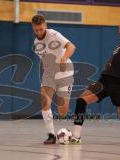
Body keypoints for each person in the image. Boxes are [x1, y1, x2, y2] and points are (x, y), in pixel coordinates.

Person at [32, 14, 76, 144]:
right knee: (45, 103)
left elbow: (71, 46)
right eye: (36, 30)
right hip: (49, 73)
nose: (39, 32)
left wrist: (63, 58)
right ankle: (51, 135)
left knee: (63, 111)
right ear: (33, 28)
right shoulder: (36, 43)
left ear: (45, 25)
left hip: (65, 70)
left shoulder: (54, 34)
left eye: (41, 29)